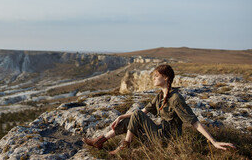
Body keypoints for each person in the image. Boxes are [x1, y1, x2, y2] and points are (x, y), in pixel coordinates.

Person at [82, 64, 235, 155]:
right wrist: (121, 116)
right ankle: (100, 141)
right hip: (157, 133)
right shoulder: (160, 96)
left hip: (167, 139)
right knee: (131, 118)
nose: (154, 78)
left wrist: (214, 142)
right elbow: (142, 113)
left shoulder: (176, 98)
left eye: (156, 76)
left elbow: (194, 121)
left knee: (135, 115)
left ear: (166, 78)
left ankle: (124, 146)